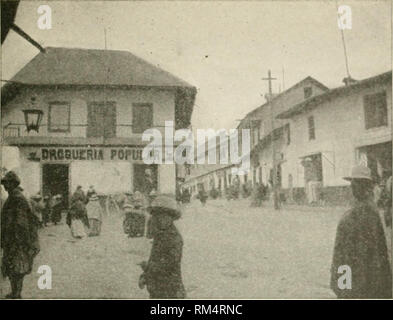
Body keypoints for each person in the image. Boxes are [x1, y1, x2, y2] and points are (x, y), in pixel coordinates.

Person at [330, 165, 392, 299]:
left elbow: (342, 259)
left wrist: (343, 290)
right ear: (370, 188)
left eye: (353, 185)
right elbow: (382, 256)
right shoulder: (374, 214)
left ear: (353, 188)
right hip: (375, 287)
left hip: (355, 288)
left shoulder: (348, 219)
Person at [1, 171, 40, 299]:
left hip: (17, 239)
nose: (4, 186)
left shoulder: (17, 198)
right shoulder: (14, 196)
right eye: (4, 183)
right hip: (13, 238)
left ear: (13, 183)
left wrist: (21, 240)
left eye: (6, 183)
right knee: (14, 266)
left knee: (17, 267)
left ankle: (16, 293)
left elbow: (21, 223)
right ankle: (15, 292)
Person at [138, 194, 186, 299]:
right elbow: (154, 258)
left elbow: (170, 264)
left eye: (164, 216)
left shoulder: (174, 238)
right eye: (157, 216)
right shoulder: (160, 235)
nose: (160, 220)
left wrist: (148, 268)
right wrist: (145, 275)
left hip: (170, 290)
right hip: (157, 288)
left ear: (171, 218)